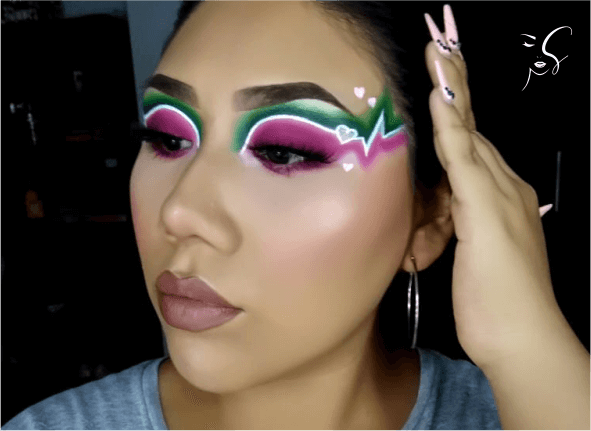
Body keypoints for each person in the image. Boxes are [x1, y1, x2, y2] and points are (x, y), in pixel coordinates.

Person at [1, 2, 506, 429]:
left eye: (283, 151)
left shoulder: (524, 406)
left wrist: (530, 353)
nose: (177, 212)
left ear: (429, 220)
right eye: (167, 137)